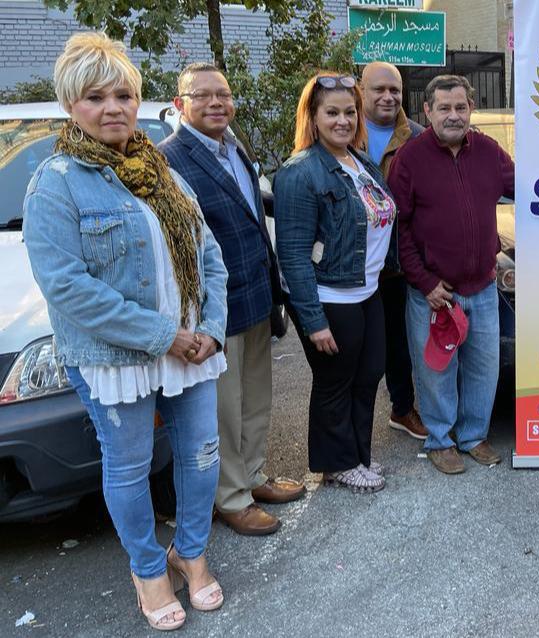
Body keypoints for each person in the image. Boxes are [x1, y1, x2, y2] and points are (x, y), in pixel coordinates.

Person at [22, 32, 228, 630]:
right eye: (94, 97)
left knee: (200, 457)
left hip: (192, 348)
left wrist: (209, 327)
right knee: (130, 466)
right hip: (117, 356)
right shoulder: (55, 182)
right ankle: (148, 570)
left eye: (123, 94)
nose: (112, 108)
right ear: (70, 104)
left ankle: (191, 554)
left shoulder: (162, 171)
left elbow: (206, 251)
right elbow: (67, 288)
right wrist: (167, 335)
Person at [160, 63, 305, 536]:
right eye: (202, 96)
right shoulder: (171, 159)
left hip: (257, 296)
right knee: (224, 410)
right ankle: (231, 498)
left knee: (255, 400)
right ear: (180, 104)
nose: (216, 103)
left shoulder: (234, 147)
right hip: (214, 309)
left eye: (223, 94)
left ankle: (254, 476)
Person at [387, 75, 515, 475]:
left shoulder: (490, 153)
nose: (453, 115)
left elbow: (529, 188)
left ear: (470, 109)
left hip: (482, 287)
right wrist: (424, 283)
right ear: (428, 111)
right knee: (436, 371)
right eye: (444, 108)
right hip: (434, 293)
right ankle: (441, 439)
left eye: (460, 107)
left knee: (484, 367)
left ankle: (473, 435)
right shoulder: (410, 159)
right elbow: (399, 229)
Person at [275, 72, 396, 492]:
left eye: (348, 112)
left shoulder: (360, 162)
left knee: (368, 376)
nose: (342, 121)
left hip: (367, 291)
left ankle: (358, 454)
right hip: (330, 297)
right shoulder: (300, 172)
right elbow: (291, 254)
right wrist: (313, 320)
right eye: (332, 113)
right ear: (313, 116)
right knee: (335, 382)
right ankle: (336, 462)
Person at [358, 61, 428, 440]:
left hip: (400, 264)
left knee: (400, 345)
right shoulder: (343, 131)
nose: (388, 97)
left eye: (394, 90)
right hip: (353, 266)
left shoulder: (418, 138)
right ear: (362, 90)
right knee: (359, 351)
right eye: (378, 89)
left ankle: (402, 409)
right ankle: (355, 425)